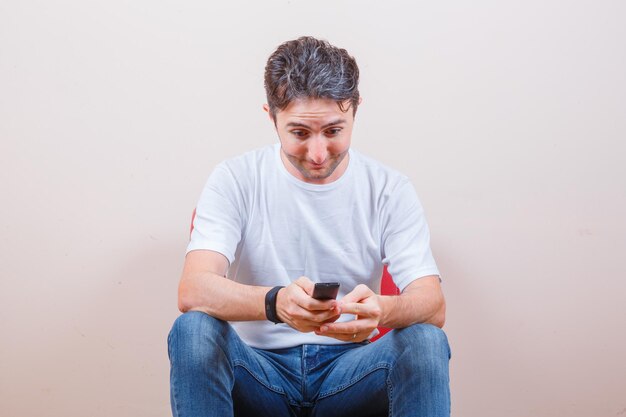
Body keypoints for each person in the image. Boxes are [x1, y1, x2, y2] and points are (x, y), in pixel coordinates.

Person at [168, 36, 451, 417]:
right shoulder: (235, 178)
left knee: (425, 341)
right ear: (271, 116)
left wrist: (382, 310)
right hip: (258, 371)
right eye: (299, 133)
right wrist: (275, 303)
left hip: (351, 373)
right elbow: (193, 289)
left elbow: (432, 304)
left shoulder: (389, 189)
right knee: (192, 332)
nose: (318, 154)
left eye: (334, 131)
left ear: (356, 111)